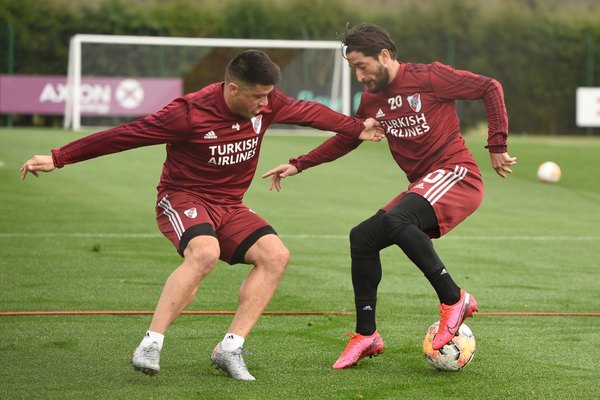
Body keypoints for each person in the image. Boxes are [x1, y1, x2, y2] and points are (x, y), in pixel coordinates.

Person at [20, 49, 384, 380]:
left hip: (231, 205)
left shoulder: (268, 102)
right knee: (205, 252)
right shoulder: (188, 113)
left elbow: (310, 113)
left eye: (268, 95)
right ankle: (151, 342)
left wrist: (357, 128)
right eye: (257, 95)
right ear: (232, 88)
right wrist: (60, 157)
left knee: (276, 256)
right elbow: (126, 135)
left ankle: (230, 348)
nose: (265, 102)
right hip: (182, 197)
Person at [263, 23, 517, 369]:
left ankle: (454, 299)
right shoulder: (370, 99)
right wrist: (299, 164)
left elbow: (490, 87)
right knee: (363, 238)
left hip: (457, 175)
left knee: (397, 219)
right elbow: (350, 137)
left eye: (361, 66)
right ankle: (366, 335)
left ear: (384, 56)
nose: (358, 76)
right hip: (423, 185)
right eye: (353, 68)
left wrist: (497, 144)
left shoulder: (429, 77)